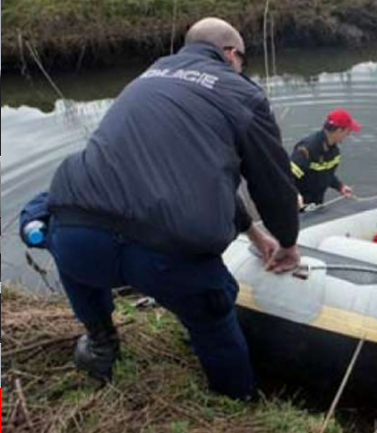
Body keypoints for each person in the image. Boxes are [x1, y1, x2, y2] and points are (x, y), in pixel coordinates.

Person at [44, 17, 301, 400]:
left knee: (81, 265)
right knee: (214, 321)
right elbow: (273, 183)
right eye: (242, 58)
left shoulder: (143, 79)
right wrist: (288, 240)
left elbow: (188, 176)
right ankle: (237, 402)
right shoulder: (241, 93)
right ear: (230, 54)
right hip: (168, 254)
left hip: (74, 232)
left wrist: (254, 232)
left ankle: (100, 345)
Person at [290, 108, 360, 207]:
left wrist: (340, 186)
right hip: (297, 204)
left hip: (316, 203)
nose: (348, 135)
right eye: (348, 132)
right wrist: (295, 195)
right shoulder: (307, 149)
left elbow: (326, 174)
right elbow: (287, 176)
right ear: (339, 130)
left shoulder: (334, 152)